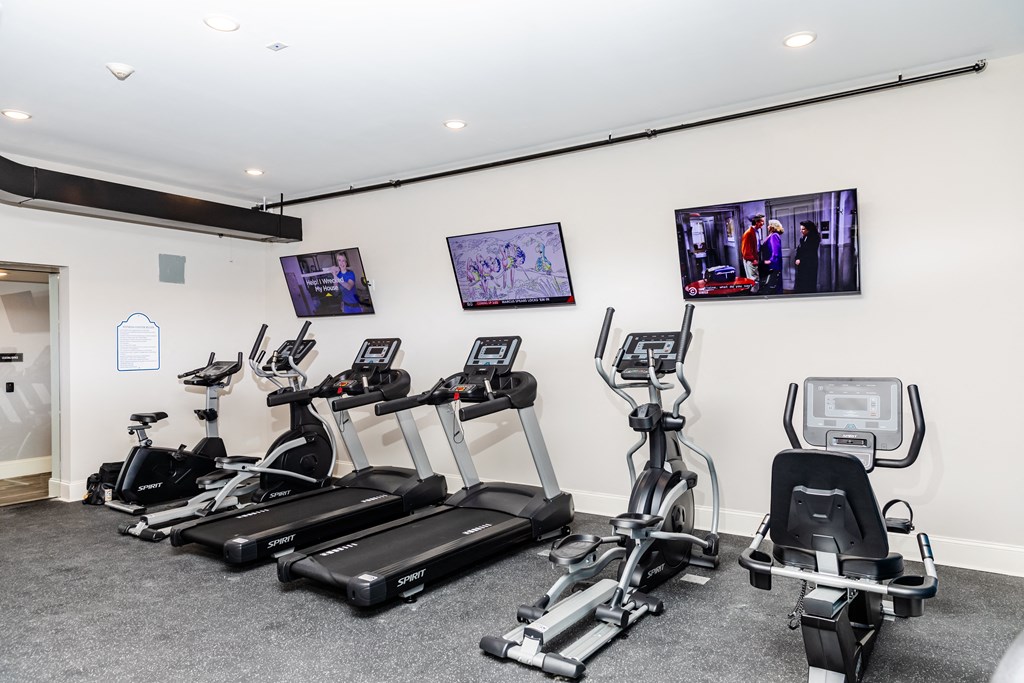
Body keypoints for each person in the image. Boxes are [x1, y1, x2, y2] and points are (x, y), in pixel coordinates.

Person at [794, 219, 821, 294]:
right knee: (802, 284)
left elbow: (810, 252)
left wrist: (800, 260)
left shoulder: (814, 238)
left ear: (809, 229)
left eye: (803, 229)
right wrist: (797, 258)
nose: (801, 231)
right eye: (801, 229)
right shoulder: (803, 238)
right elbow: (799, 250)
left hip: (809, 264)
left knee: (808, 284)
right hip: (803, 264)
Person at [740, 214, 764, 293]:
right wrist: (752, 259)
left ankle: (755, 293)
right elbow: (745, 250)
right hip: (750, 259)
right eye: (761, 221)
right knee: (753, 279)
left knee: (755, 278)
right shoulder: (748, 233)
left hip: (754, 258)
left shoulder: (756, 232)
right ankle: (754, 295)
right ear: (756, 222)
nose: (763, 223)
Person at [761, 220, 784, 294]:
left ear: (772, 227)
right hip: (772, 264)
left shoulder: (774, 235)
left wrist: (770, 261)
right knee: (772, 284)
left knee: (774, 284)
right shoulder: (772, 235)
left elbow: (776, 251)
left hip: (773, 264)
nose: (767, 226)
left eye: (769, 225)